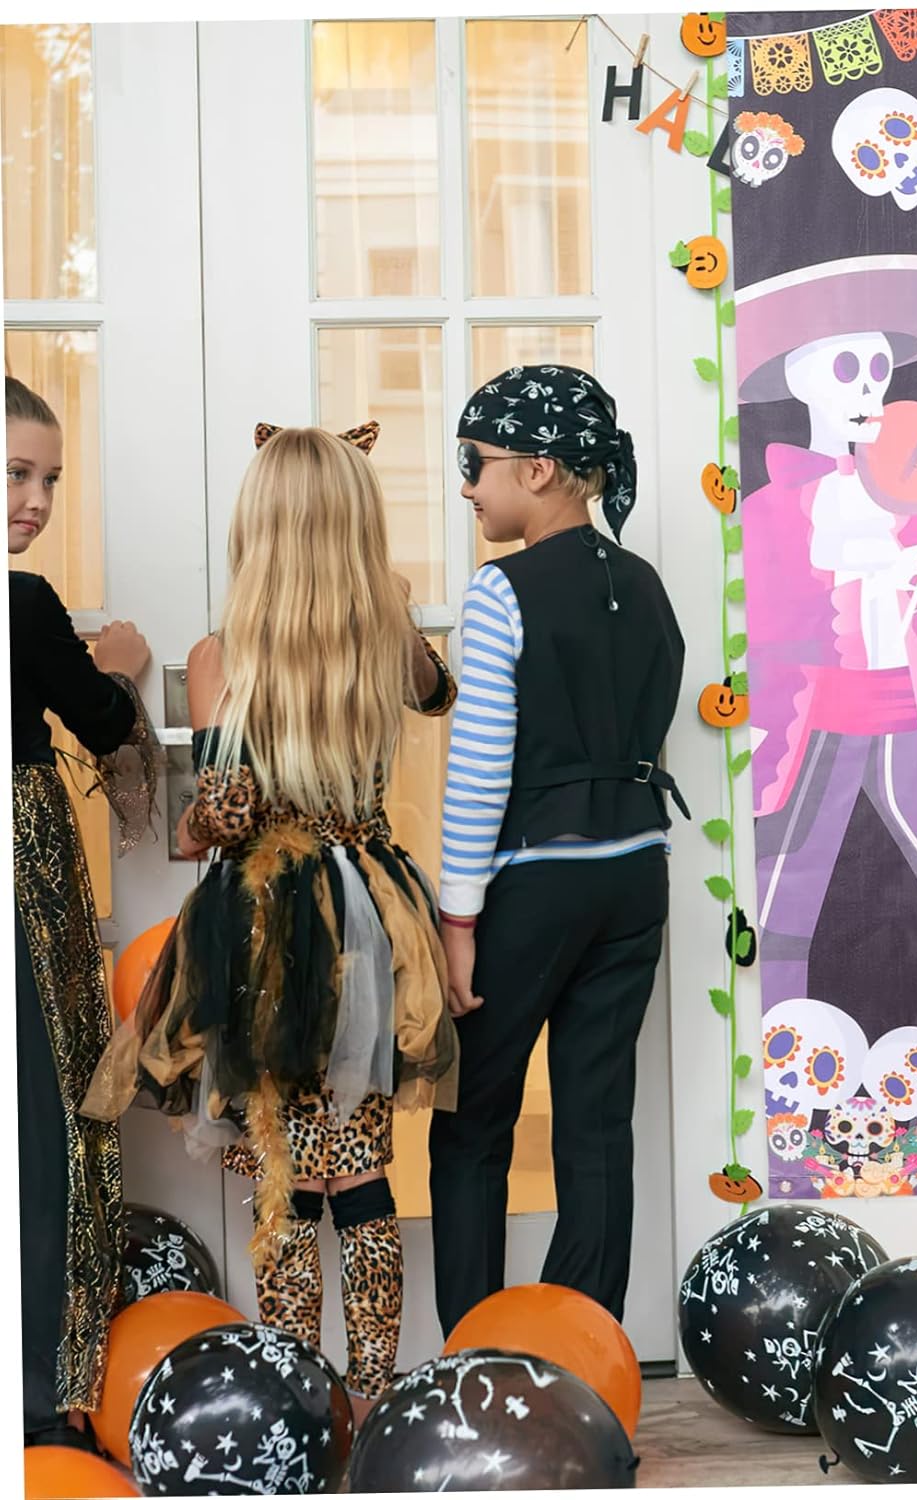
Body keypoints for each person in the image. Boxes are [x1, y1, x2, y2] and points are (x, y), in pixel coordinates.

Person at [83, 422, 459, 1410]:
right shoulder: (385, 644)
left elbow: (225, 813)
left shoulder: (222, 657)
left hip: (263, 927)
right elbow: (438, 692)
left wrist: (184, 816)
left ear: (257, 526)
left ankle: (296, 1394)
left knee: (283, 1169)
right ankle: (373, 1397)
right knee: (363, 1174)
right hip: (369, 918)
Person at [429, 365, 687, 1335]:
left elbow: (479, 774)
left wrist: (459, 921)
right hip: (637, 875)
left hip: (534, 884)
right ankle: (582, 1357)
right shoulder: (648, 586)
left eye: (475, 461)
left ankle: (475, 1354)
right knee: (596, 1123)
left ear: (537, 469)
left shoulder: (501, 593)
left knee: (472, 1122)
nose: (466, 484)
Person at [8, 375, 159, 1448]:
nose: (37, 501)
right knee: (42, 1117)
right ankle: (35, 1395)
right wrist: (124, 669)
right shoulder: (22, 606)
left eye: (51, 479)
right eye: (17, 473)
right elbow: (110, 724)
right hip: (22, 881)